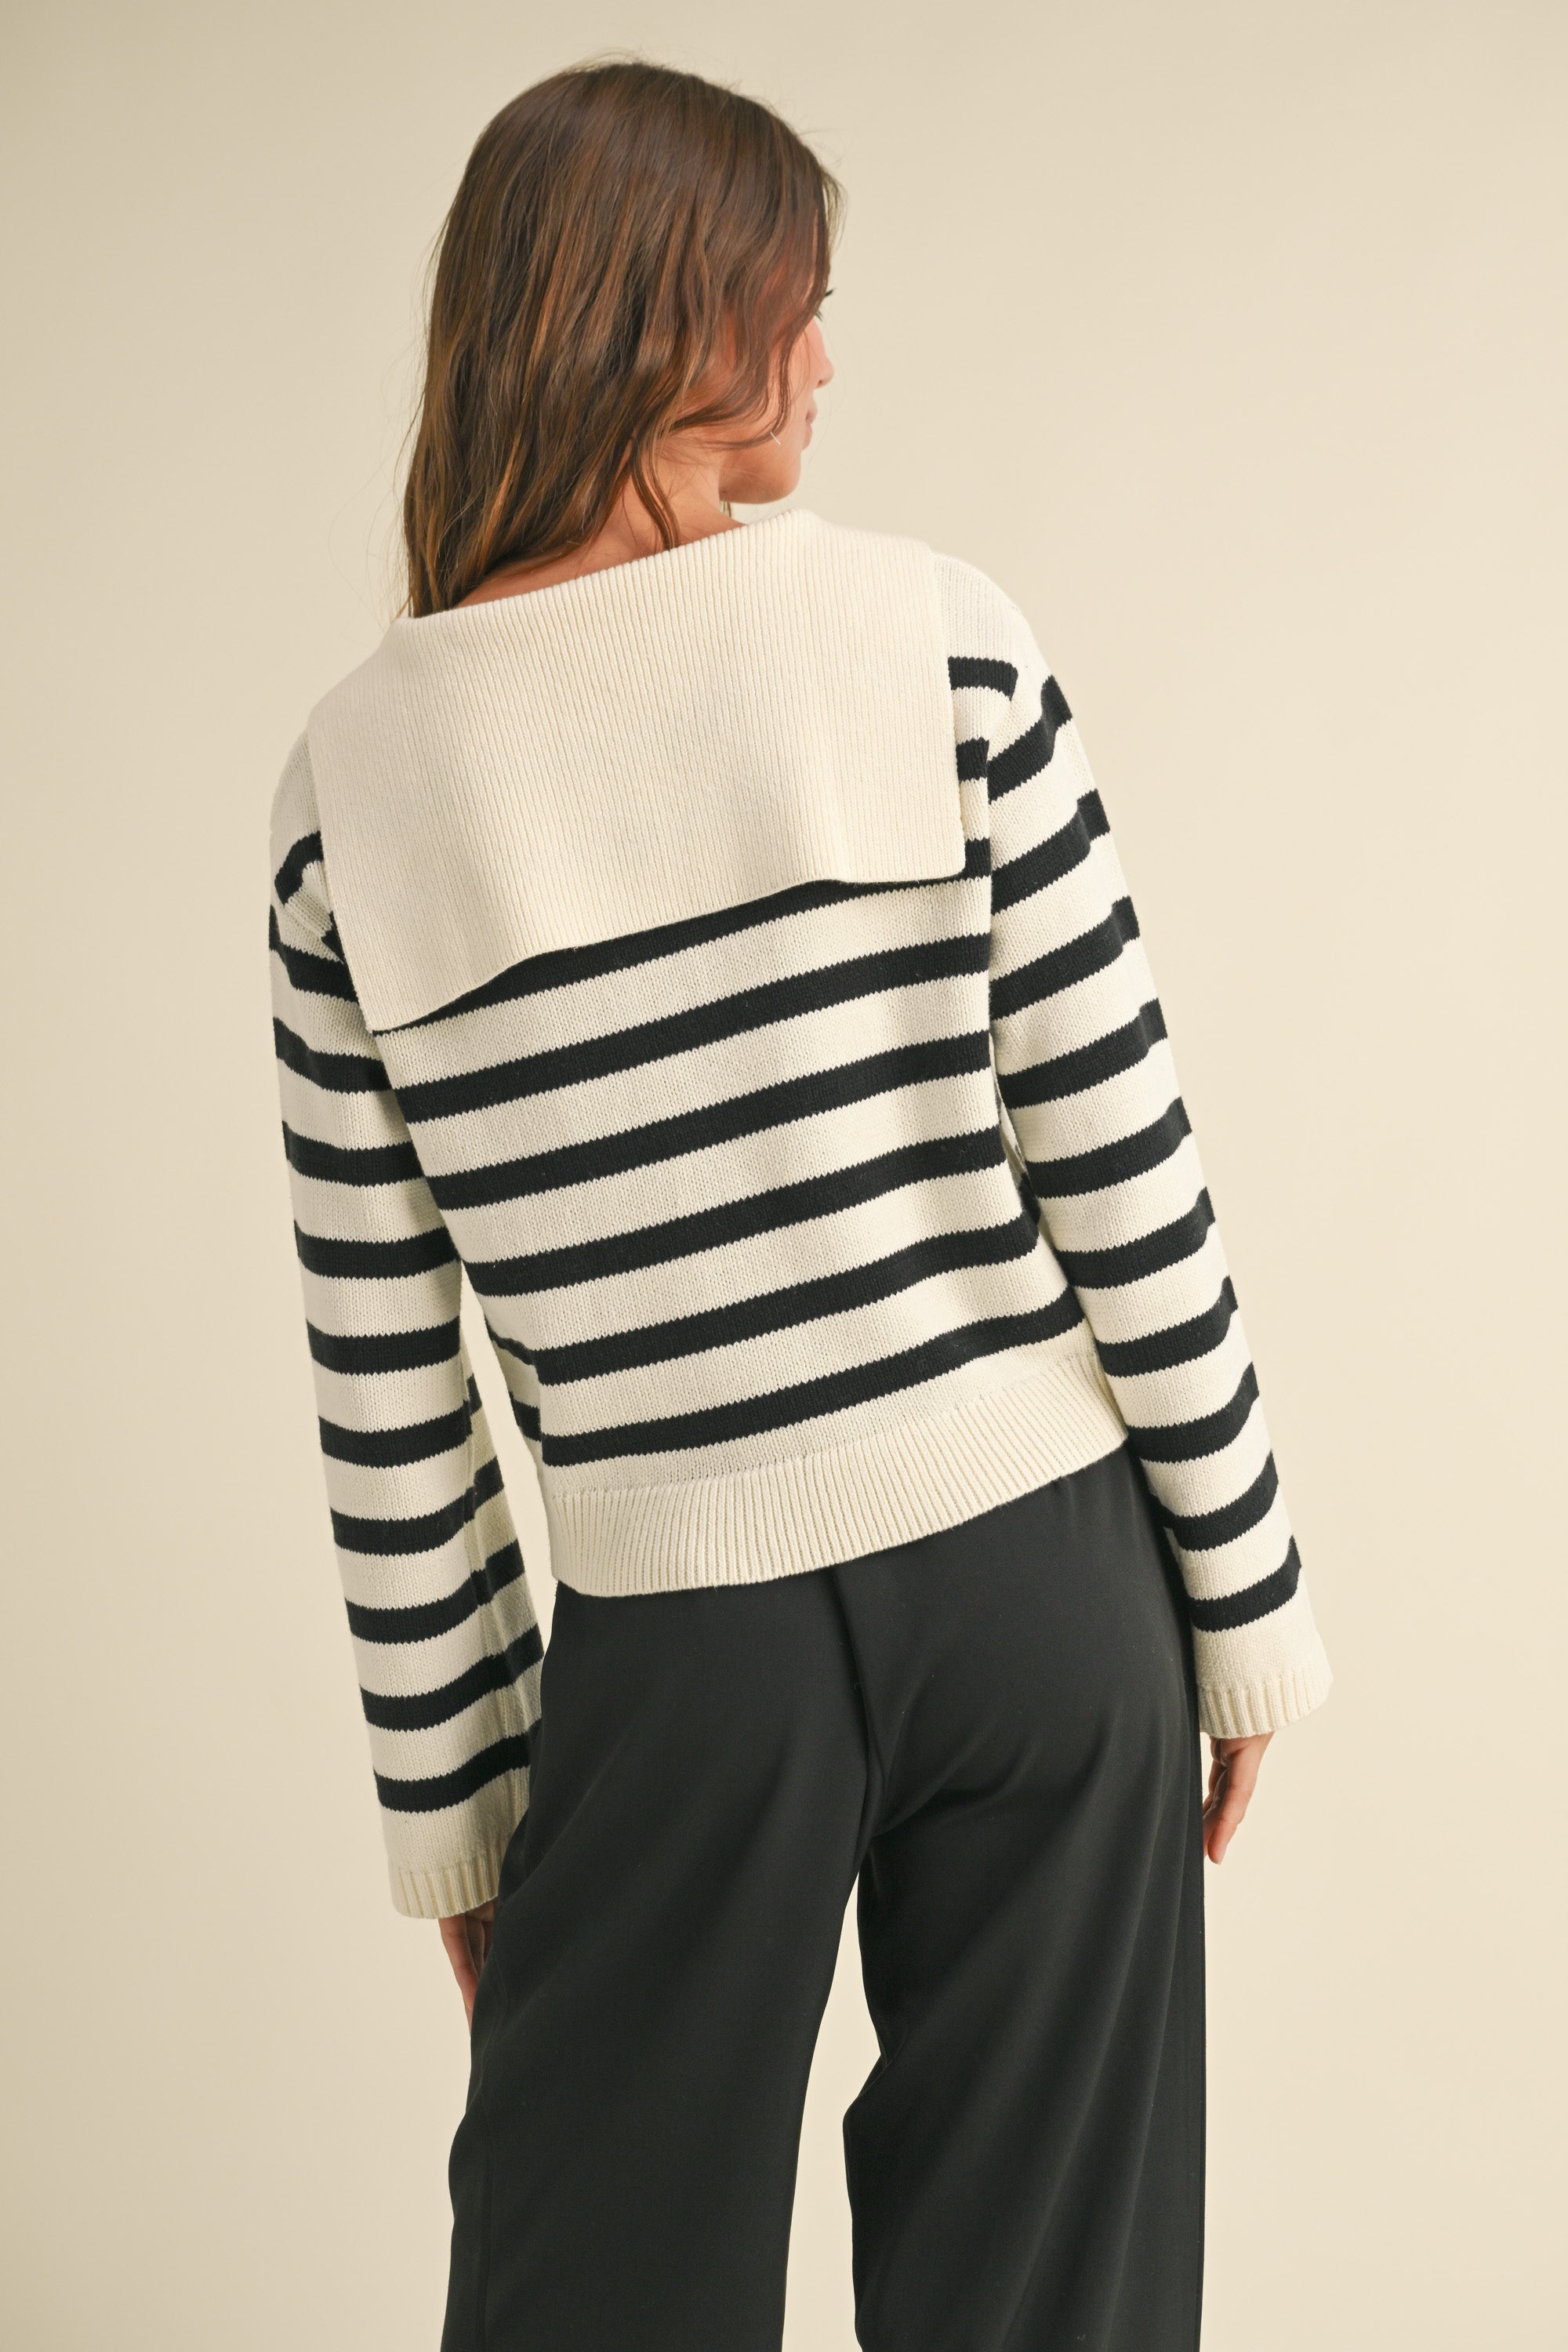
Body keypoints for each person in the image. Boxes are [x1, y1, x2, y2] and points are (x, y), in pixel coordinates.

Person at [267, 57, 1331, 2352]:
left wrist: (465, 1814)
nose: (829, 360)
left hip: (682, 1654)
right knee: (1054, 2309)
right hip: (1048, 1587)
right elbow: (1124, 1163)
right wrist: (1242, 1597)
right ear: (669, 319)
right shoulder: (944, 641)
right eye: (796, 306)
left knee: (585, 2295)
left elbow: (391, 1392)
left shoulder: (349, 795)